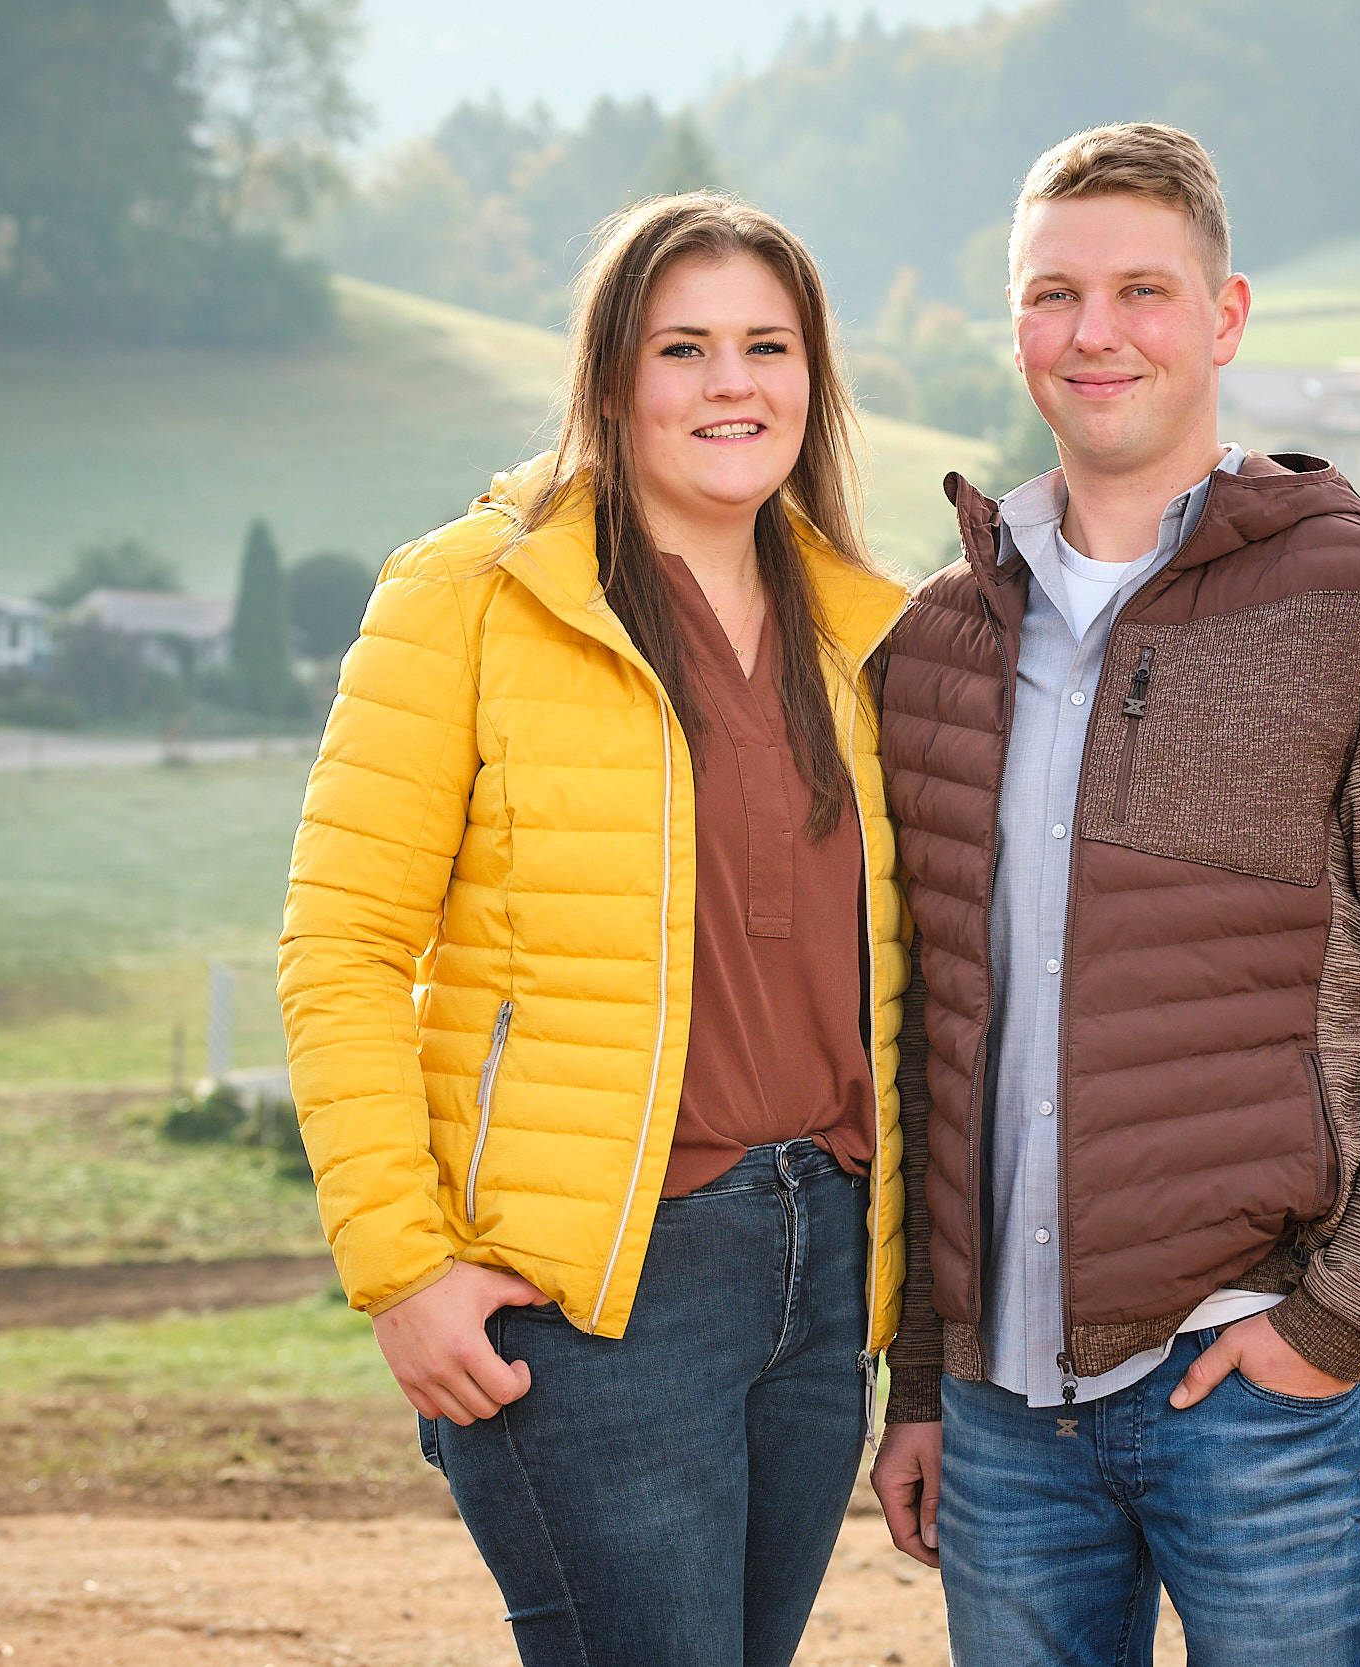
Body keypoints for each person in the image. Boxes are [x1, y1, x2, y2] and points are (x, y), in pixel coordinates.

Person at [869, 123, 1360, 1666]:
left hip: (1255, 1394)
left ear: (1225, 316)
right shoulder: (936, 646)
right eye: (1053, 295)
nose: (1094, 335)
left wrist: (1340, 1321)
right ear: (1015, 323)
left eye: (1142, 292)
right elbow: (926, 1035)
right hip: (998, 1423)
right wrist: (919, 1380)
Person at [278, 192, 915, 1667]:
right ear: (612, 378)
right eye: (681, 348)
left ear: (814, 380)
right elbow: (341, 946)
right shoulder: (470, 596)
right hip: (592, 1294)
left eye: (767, 345)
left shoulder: (865, 633)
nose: (730, 384)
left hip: (822, 1274)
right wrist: (403, 1268)